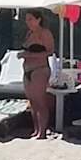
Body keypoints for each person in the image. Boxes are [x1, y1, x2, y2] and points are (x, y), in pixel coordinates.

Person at [22, 10, 57, 139]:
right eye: (27, 19)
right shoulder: (29, 33)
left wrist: (30, 55)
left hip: (40, 69)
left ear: (38, 20)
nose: (28, 22)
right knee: (32, 102)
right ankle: (36, 129)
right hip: (27, 70)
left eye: (30, 19)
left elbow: (50, 51)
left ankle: (42, 132)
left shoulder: (45, 33)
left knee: (40, 101)